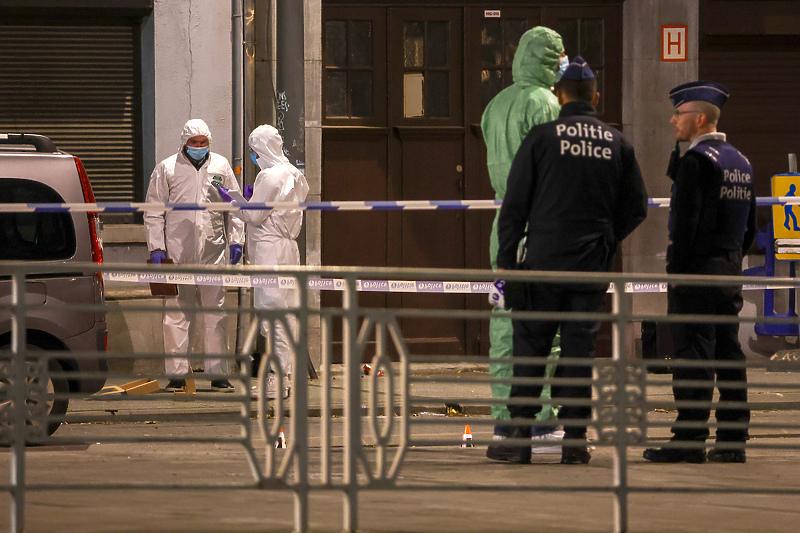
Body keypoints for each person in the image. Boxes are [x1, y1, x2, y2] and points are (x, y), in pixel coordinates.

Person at [486, 57, 648, 465]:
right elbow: (637, 207)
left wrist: (506, 261)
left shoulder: (541, 138)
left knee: (530, 351)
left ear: (559, 96)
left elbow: (515, 204)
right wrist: (608, 240)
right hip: (590, 271)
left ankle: (519, 438)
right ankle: (574, 441)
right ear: (595, 97)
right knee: (578, 356)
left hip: (541, 266)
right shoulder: (617, 143)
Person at [644, 81, 755, 464]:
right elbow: (750, 228)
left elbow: (685, 227)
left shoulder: (697, 162)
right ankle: (732, 440)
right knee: (728, 354)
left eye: (680, 114)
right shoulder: (740, 161)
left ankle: (689, 439)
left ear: (700, 118)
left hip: (694, 274)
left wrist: (677, 272)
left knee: (693, 356)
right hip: (727, 271)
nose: (673, 120)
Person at [481, 26, 567, 445]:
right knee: (542, 327)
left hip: (504, 227)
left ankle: (505, 418)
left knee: (503, 325)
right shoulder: (545, 103)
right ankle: (542, 418)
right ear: (549, 59)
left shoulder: (496, 104)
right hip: (540, 226)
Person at [144, 119, 245, 392]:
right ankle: (177, 375)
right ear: (184, 142)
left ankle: (218, 374)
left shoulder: (222, 167)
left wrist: (237, 242)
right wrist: (157, 248)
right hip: (177, 254)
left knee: (216, 314)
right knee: (177, 314)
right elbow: (153, 211)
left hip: (213, 252)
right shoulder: (166, 169)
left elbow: (233, 208)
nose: (199, 147)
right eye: (194, 143)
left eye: (203, 142)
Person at [216, 124, 309, 400]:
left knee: (274, 317)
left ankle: (276, 382)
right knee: (286, 316)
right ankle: (284, 379)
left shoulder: (269, 176)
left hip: (271, 252)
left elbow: (254, 217)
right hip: (288, 251)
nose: (254, 156)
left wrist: (233, 200)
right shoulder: (294, 173)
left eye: (254, 151)